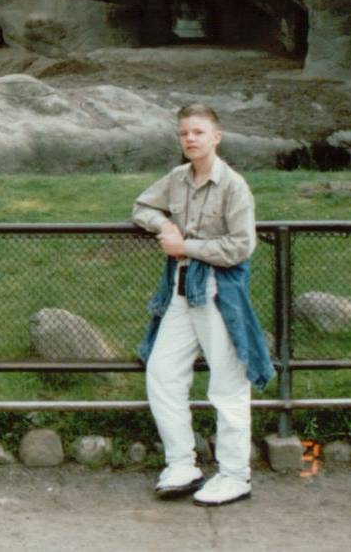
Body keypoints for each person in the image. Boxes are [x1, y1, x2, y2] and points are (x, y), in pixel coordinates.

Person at [131, 103, 274, 506]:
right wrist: (164, 225)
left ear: (216, 137)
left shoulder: (233, 186)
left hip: (218, 292)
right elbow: (141, 206)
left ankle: (235, 474)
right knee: (162, 373)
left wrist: (185, 246)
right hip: (180, 291)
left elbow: (242, 246)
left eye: (197, 132)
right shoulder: (177, 179)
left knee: (228, 384)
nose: (190, 139)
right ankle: (182, 463)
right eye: (183, 133)